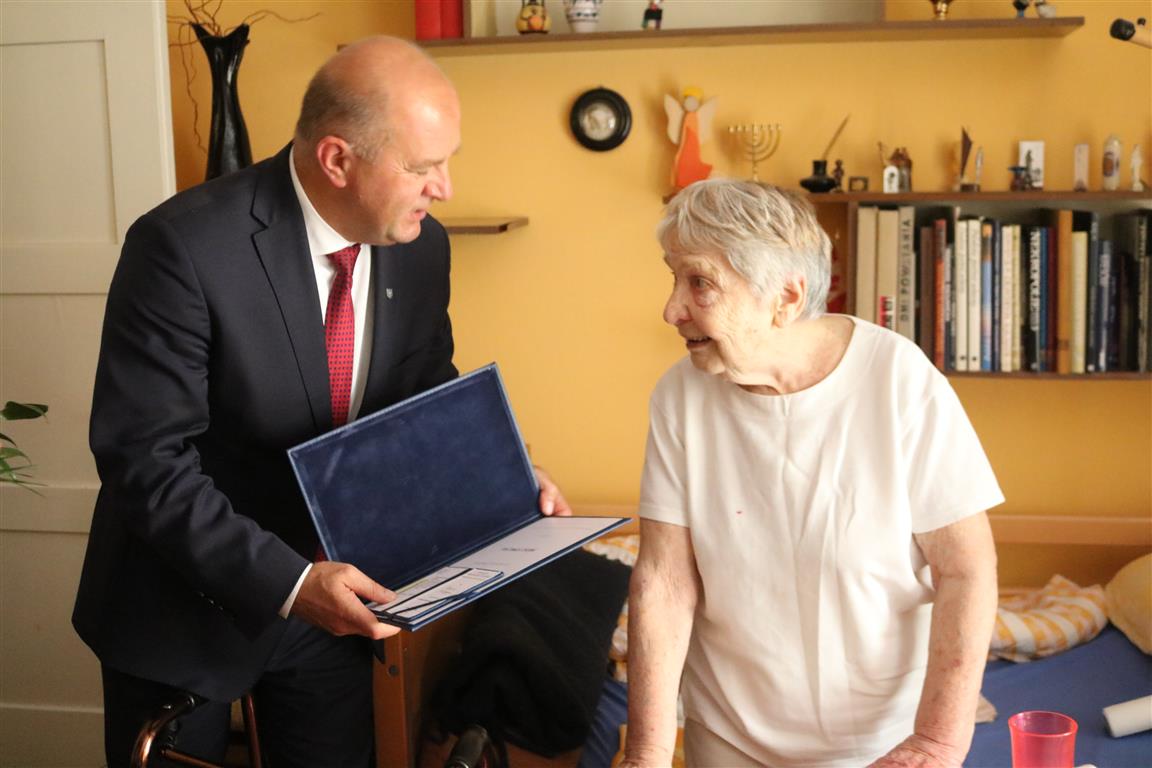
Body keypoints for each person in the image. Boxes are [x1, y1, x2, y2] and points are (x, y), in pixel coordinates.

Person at [73, 36, 570, 767]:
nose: (444, 188)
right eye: (422, 167)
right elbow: (145, 462)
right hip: (184, 607)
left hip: (336, 608)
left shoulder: (421, 247)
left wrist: (503, 476)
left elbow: (424, 399)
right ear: (337, 159)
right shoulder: (181, 247)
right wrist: (290, 582)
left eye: (447, 161)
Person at [620, 180, 1001, 767]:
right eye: (674, 278)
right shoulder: (680, 397)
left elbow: (966, 570)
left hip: (885, 744)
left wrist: (936, 743)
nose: (672, 309)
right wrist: (646, 752)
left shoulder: (898, 380)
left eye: (699, 282)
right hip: (728, 737)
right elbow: (664, 582)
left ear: (786, 297)